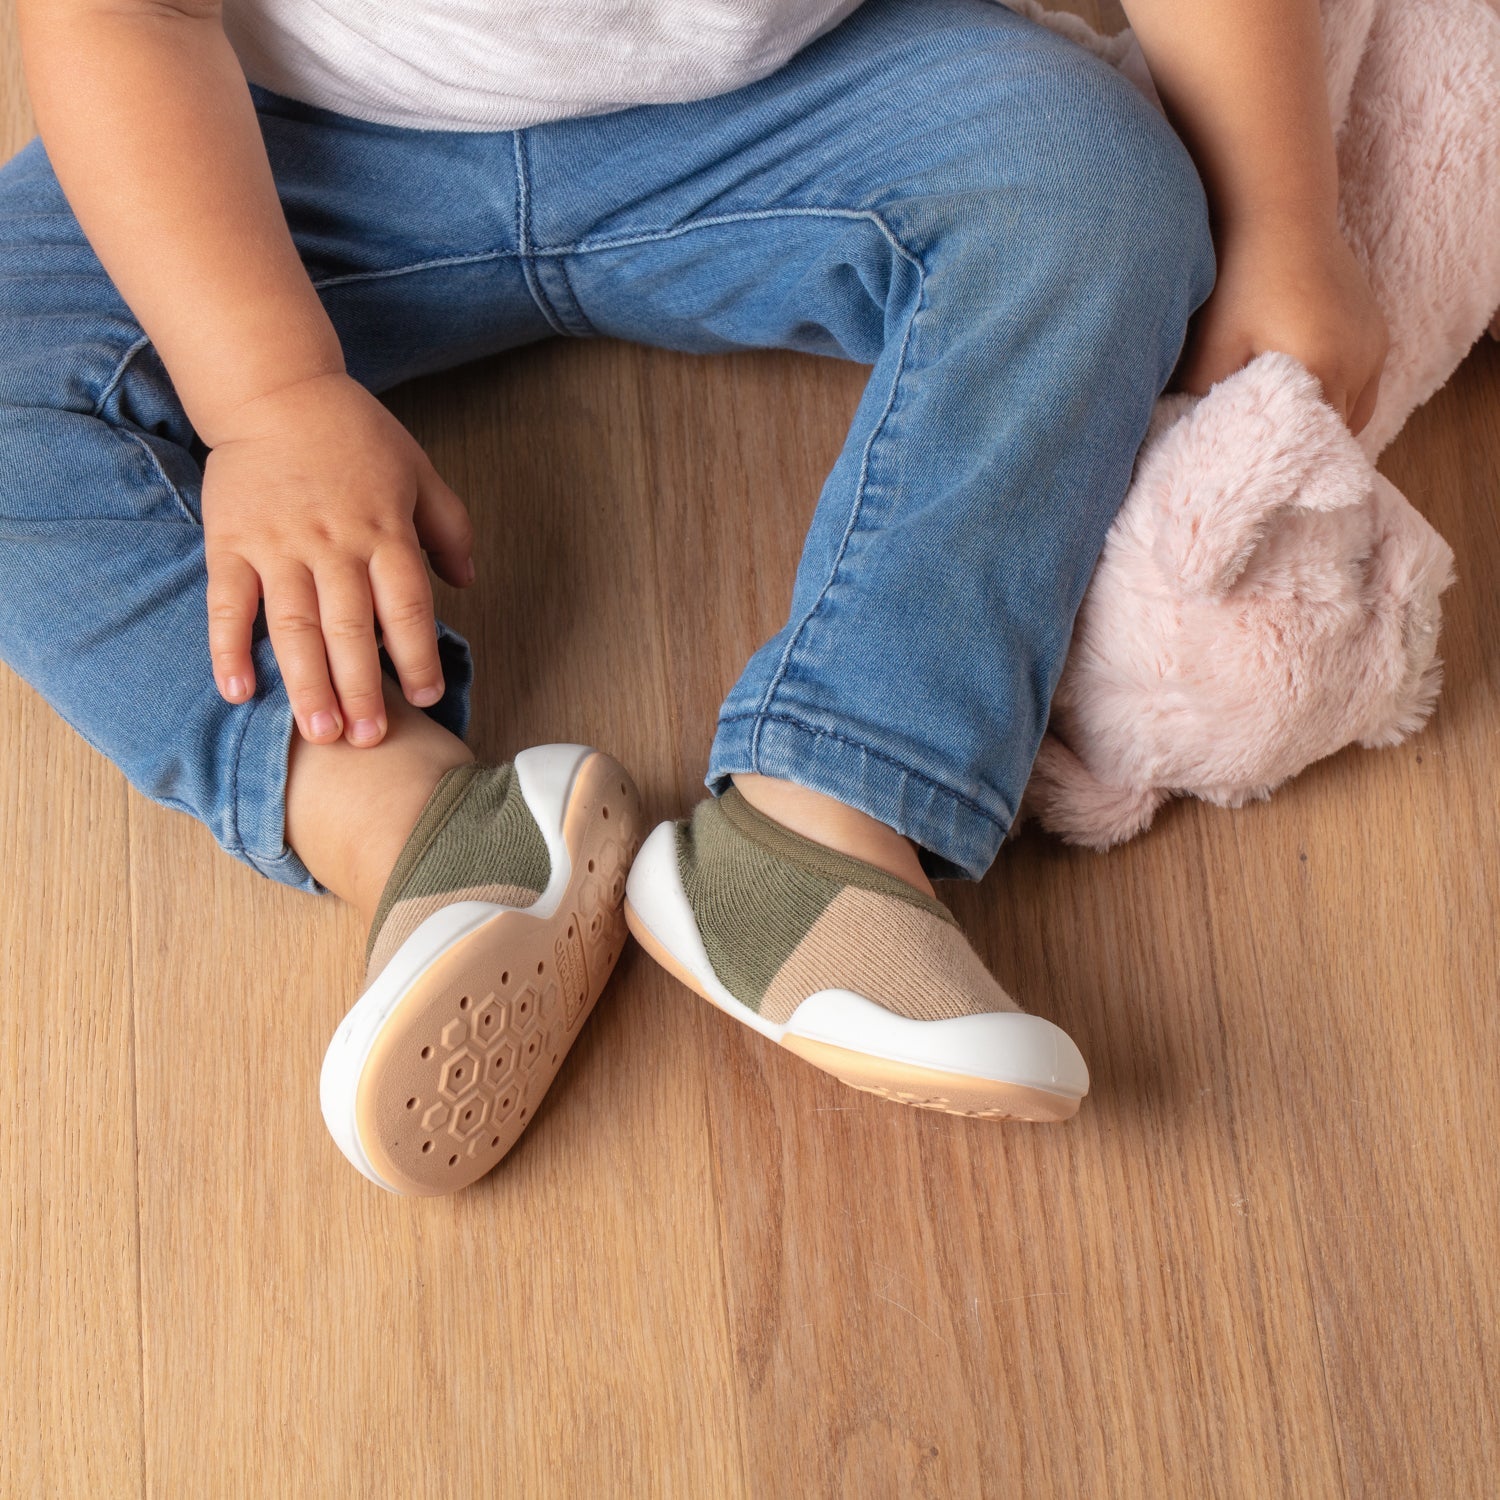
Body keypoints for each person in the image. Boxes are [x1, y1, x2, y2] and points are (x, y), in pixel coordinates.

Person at [3, 0, 1387, 1194]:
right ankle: (410, 825)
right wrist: (268, 394)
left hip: (787, 102)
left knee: (1090, 184)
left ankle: (825, 819)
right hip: (292, 148)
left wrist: (1277, 213)